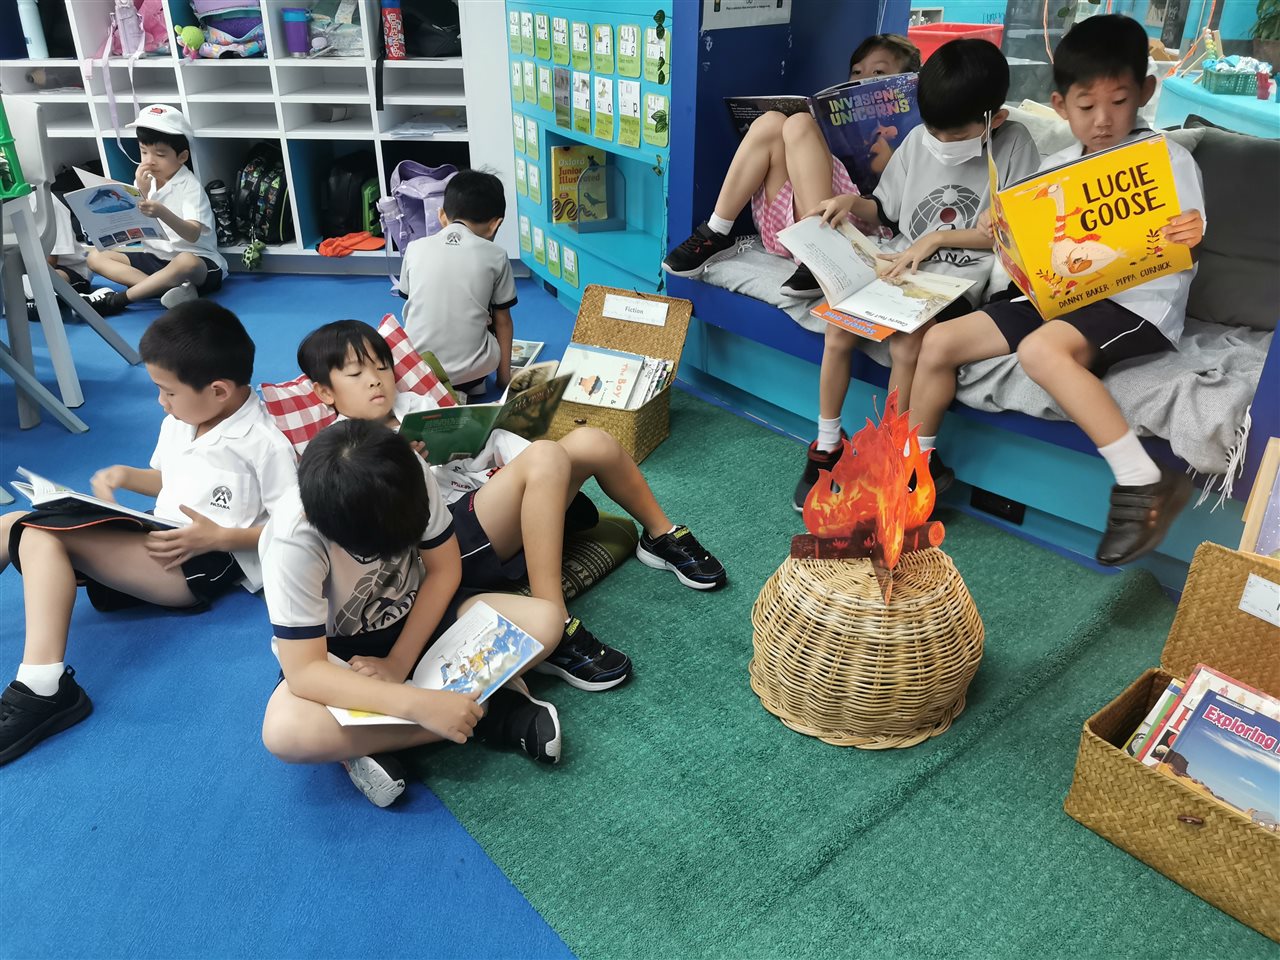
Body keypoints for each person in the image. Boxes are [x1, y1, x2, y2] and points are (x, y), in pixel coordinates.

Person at [909, 15, 1204, 567]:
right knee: (939, 342)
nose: (1102, 119)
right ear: (1060, 105)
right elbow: (1032, 251)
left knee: (1040, 350)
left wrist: (1192, 231)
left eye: (1119, 101)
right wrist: (1004, 234)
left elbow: (1188, 233)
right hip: (1062, 297)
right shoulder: (1054, 169)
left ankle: (1142, 480)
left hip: (1136, 302)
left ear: (1146, 91)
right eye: (1086, 106)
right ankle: (914, 476)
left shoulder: (1166, 160)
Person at [296, 320, 728, 696]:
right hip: (444, 545)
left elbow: (478, 455)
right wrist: (409, 468)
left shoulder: (417, 408)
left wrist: (490, 435)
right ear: (324, 392)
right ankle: (554, 622)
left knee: (591, 441)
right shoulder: (340, 454)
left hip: (482, 498)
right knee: (545, 456)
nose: (375, 380)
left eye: (381, 367)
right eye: (356, 373)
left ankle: (660, 535)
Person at [0, 301, 297, 765]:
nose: (161, 401)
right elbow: (172, 480)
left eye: (167, 391)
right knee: (12, 522)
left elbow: (294, 529)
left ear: (218, 390)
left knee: (37, 532)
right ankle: (45, 685)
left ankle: (44, 687)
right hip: (154, 534)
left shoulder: (265, 444)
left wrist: (220, 538)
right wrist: (125, 475)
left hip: (193, 565)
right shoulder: (180, 421)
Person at [258, 419, 566, 808]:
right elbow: (305, 671)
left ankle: (376, 740)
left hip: (422, 615)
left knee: (545, 621)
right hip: (342, 657)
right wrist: (418, 704)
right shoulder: (292, 540)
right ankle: (485, 709)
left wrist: (398, 664)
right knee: (285, 732)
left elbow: (444, 570)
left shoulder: (406, 471)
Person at [793, 38, 1040, 511]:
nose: (941, 143)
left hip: (960, 279)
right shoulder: (916, 140)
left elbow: (1013, 235)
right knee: (838, 325)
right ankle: (827, 443)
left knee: (908, 343)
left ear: (995, 120)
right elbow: (886, 210)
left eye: (955, 134)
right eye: (934, 130)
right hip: (897, 265)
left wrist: (937, 240)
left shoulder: (1015, 146)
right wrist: (851, 203)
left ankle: (891, 453)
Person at [661, 34, 920, 298]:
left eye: (878, 72)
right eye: (856, 71)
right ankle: (717, 230)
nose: (862, 78)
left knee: (799, 123)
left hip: (852, 226)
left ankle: (822, 251)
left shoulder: (914, 134)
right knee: (772, 121)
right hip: (796, 221)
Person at [83, 104, 227, 316]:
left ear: (182, 156)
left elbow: (192, 234)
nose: (149, 161)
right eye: (143, 152)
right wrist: (139, 192)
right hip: (155, 258)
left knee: (185, 261)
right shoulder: (143, 180)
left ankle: (118, 300)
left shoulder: (190, 186)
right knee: (95, 257)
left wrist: (162, 212)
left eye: (160, 154)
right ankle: (166, 290)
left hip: (197, 262)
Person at [398, 170, 517, 394]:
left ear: (442, 216)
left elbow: (409, 303)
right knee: (493, 310)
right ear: (495, 224)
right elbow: (503, 322)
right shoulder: (497, 256)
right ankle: (473, 386)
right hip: (472, 374)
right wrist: (504, 380)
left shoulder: (414, 249)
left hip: (419, 371)